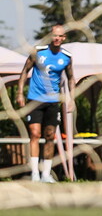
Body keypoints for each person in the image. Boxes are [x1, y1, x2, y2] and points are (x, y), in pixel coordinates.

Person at [15, 24, 76, 183]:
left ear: (64, 38)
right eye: (55, 35)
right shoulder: (38, 52)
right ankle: (35, 173)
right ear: (50, 36)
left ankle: (46, 174)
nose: (57, 38)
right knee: (35, 134)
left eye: (60, 36)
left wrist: (71, 99)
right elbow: (24, 72)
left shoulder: (66, 57)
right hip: (35, 99)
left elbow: (71, 78)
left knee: (50, 136)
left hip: (53, 101)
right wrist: (20, 92)